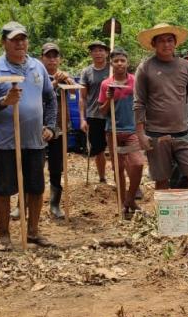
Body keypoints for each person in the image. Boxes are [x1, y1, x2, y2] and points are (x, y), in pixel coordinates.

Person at [0, 22, 57, 250]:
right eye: (14, 39)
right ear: (4, 42)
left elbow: (50, 99)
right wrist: (3, 102)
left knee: (36, 188)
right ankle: (3, 236)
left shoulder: (37, 67)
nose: (20, 43)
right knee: (4, 189)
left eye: (23, 39)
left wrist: (50, 125)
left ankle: (33, 231)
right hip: (6, 143)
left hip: (35, 141)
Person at [134, 23, 188, 212]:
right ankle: (165, 217)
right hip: (156, 134)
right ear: (154, 44)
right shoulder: (146, 68)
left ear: (175, 43)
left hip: (183, 132)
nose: (166, 45)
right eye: (161, 41)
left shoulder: (184, 67)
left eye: (169, 40)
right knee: (162, 179)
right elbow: (139, 103)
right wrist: (141, 134)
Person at [99, 47, 145, 217]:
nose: (119, 63)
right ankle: (122, 203)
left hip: (132, 130)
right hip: (113, 132)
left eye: (122, 60)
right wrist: (109, 98)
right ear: (111, 63)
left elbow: (142, 103)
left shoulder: (135, 82)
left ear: (127, 62)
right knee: (118, 169)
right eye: (116, 61)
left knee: (138, 164)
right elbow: (102, 111)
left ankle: (130, 199)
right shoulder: (106, 84)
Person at [40, 42, 76, 219]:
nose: (52, 60)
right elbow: (38, 94)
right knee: (33, 166)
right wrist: (54, 82)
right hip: (39, 127)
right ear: (42, 58)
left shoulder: (64, 76)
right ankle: (23, 204)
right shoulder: (37, 75)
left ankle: (54, 204)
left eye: (55, 56)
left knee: (56, 167)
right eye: (48, 56)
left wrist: (69, 81)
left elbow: (75, 94)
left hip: (59, 128)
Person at [79, 40, 111, 183]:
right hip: (94, 115)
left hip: (112, 114)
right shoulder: (86, 72)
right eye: (95, 51)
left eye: (101, 50)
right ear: (91, 54)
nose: (98, 53)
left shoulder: (112, 69)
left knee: (117, 148)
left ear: (106, 53)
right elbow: (82, 97)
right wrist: (82, 119)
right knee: (98, 150)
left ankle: (119, 178)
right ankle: (102, 177)